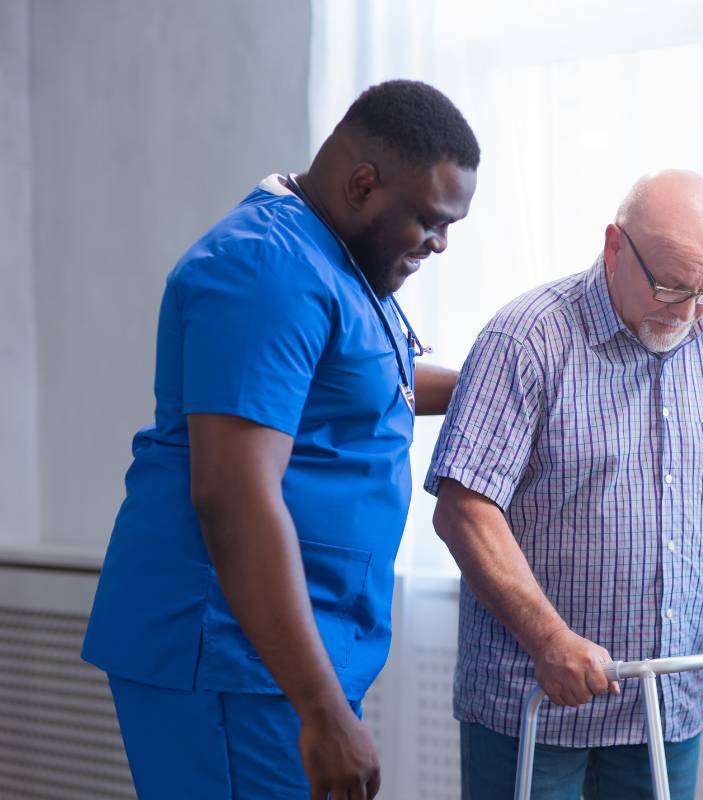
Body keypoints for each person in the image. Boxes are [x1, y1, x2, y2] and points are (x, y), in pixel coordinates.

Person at [81, 79, 479, 800]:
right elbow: (232, 496)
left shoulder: (335, 261)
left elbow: (364, 382)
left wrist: (501, 385)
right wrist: (321, 709)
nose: (441, 244)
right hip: (229, 652)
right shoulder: (265, 269)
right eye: (430, 220)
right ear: (363, 184)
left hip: (284, 647)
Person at [426, 169, 703, 799]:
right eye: (671, 288)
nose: (689, 314)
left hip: (662, 708)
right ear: (614, 247)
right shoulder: (526, 339)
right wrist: (549, 639)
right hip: (532, 699)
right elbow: (464, 510)